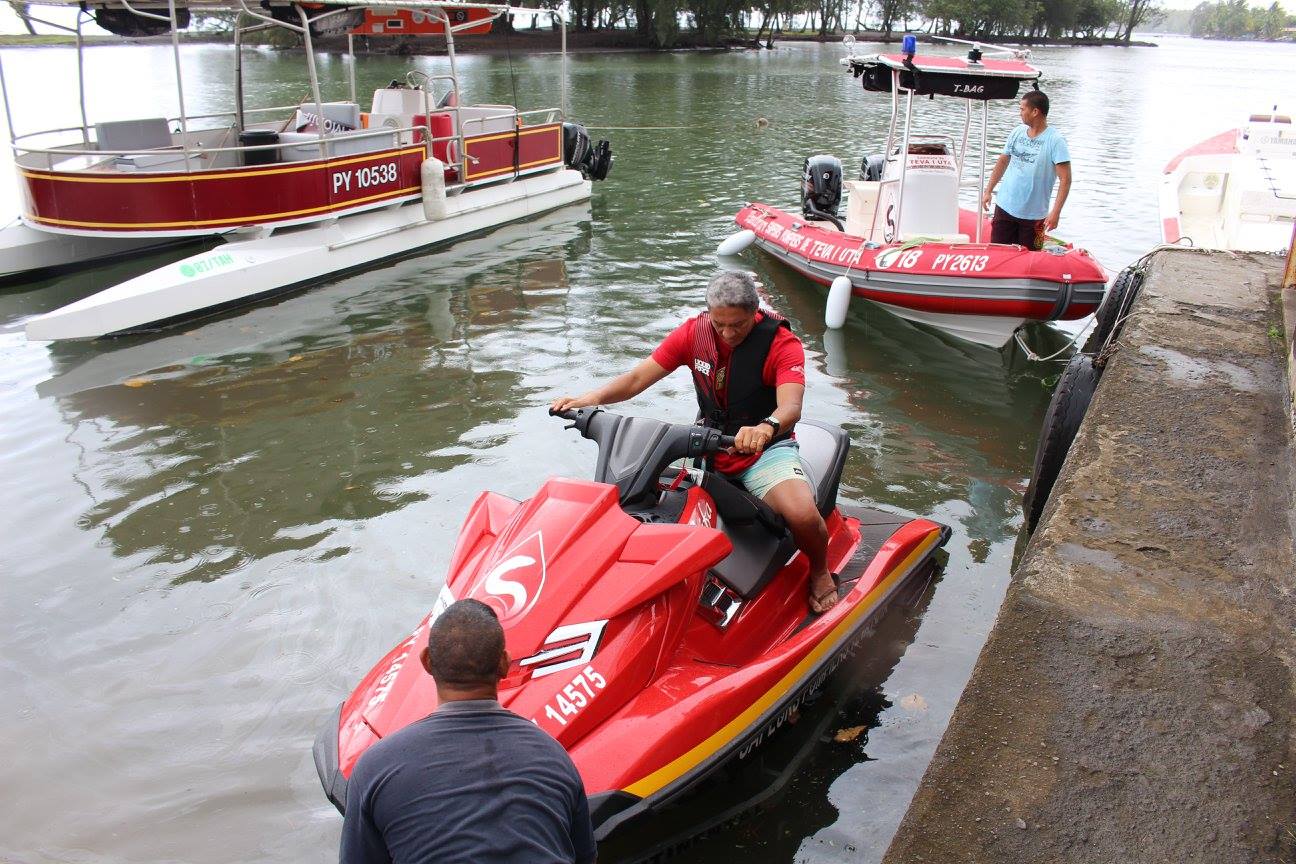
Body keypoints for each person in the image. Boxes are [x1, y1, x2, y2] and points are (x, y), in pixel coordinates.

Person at [550, 271, 838, 614]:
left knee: (802, 514)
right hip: (706, 444)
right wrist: (589, 398)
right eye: (720, 325)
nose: (729, 334)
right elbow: (639, 377)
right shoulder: (693, 333)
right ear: (709, 314)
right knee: (637, 495)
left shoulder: (780, 343)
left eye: (739, 325)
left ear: (755, 313)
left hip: (763, 450)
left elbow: (790, 406)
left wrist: (766, 427)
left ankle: (819, 571)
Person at [339, 599, 597, 864]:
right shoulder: (554, 757)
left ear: (427, 661)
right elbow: (584, 857)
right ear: (504, 664)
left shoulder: (376, 768)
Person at [980, 90, 1072, 251]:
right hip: (1005, 207)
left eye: (1022, 109)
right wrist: (988, 190)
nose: (1020, 113)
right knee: (998, 253)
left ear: (1035, 112)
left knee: (1031, 258)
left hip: (1034, 215)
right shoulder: (1017, 132)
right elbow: (1003, 160)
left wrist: (1055, 212)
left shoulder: (1056, 141)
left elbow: (1065, 179)